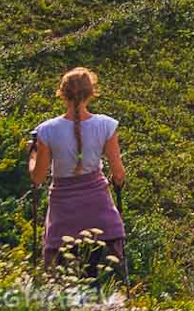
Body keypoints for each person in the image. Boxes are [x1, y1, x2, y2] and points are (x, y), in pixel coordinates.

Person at [28, 66, 127, 270]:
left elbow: (37, 178)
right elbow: (118, 173)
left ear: (62, 94)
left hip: (63, 210)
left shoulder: (46, 130)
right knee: (92, 265)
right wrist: (117, 182)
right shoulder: (106, 125)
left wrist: (32, 155)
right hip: (97, 207)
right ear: (91, 93)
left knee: (65, 269)